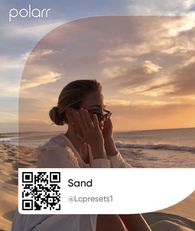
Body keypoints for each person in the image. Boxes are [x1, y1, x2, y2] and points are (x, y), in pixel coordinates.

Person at [12, 80, 151, 231]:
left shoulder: (91, 148)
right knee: (106, 217)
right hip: (37, 226)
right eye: (96, 112)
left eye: (104, 112)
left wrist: (109, 145)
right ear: (71, 114)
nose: (102, 119)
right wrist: (98, 149)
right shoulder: (53, 152)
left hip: (69, 221)